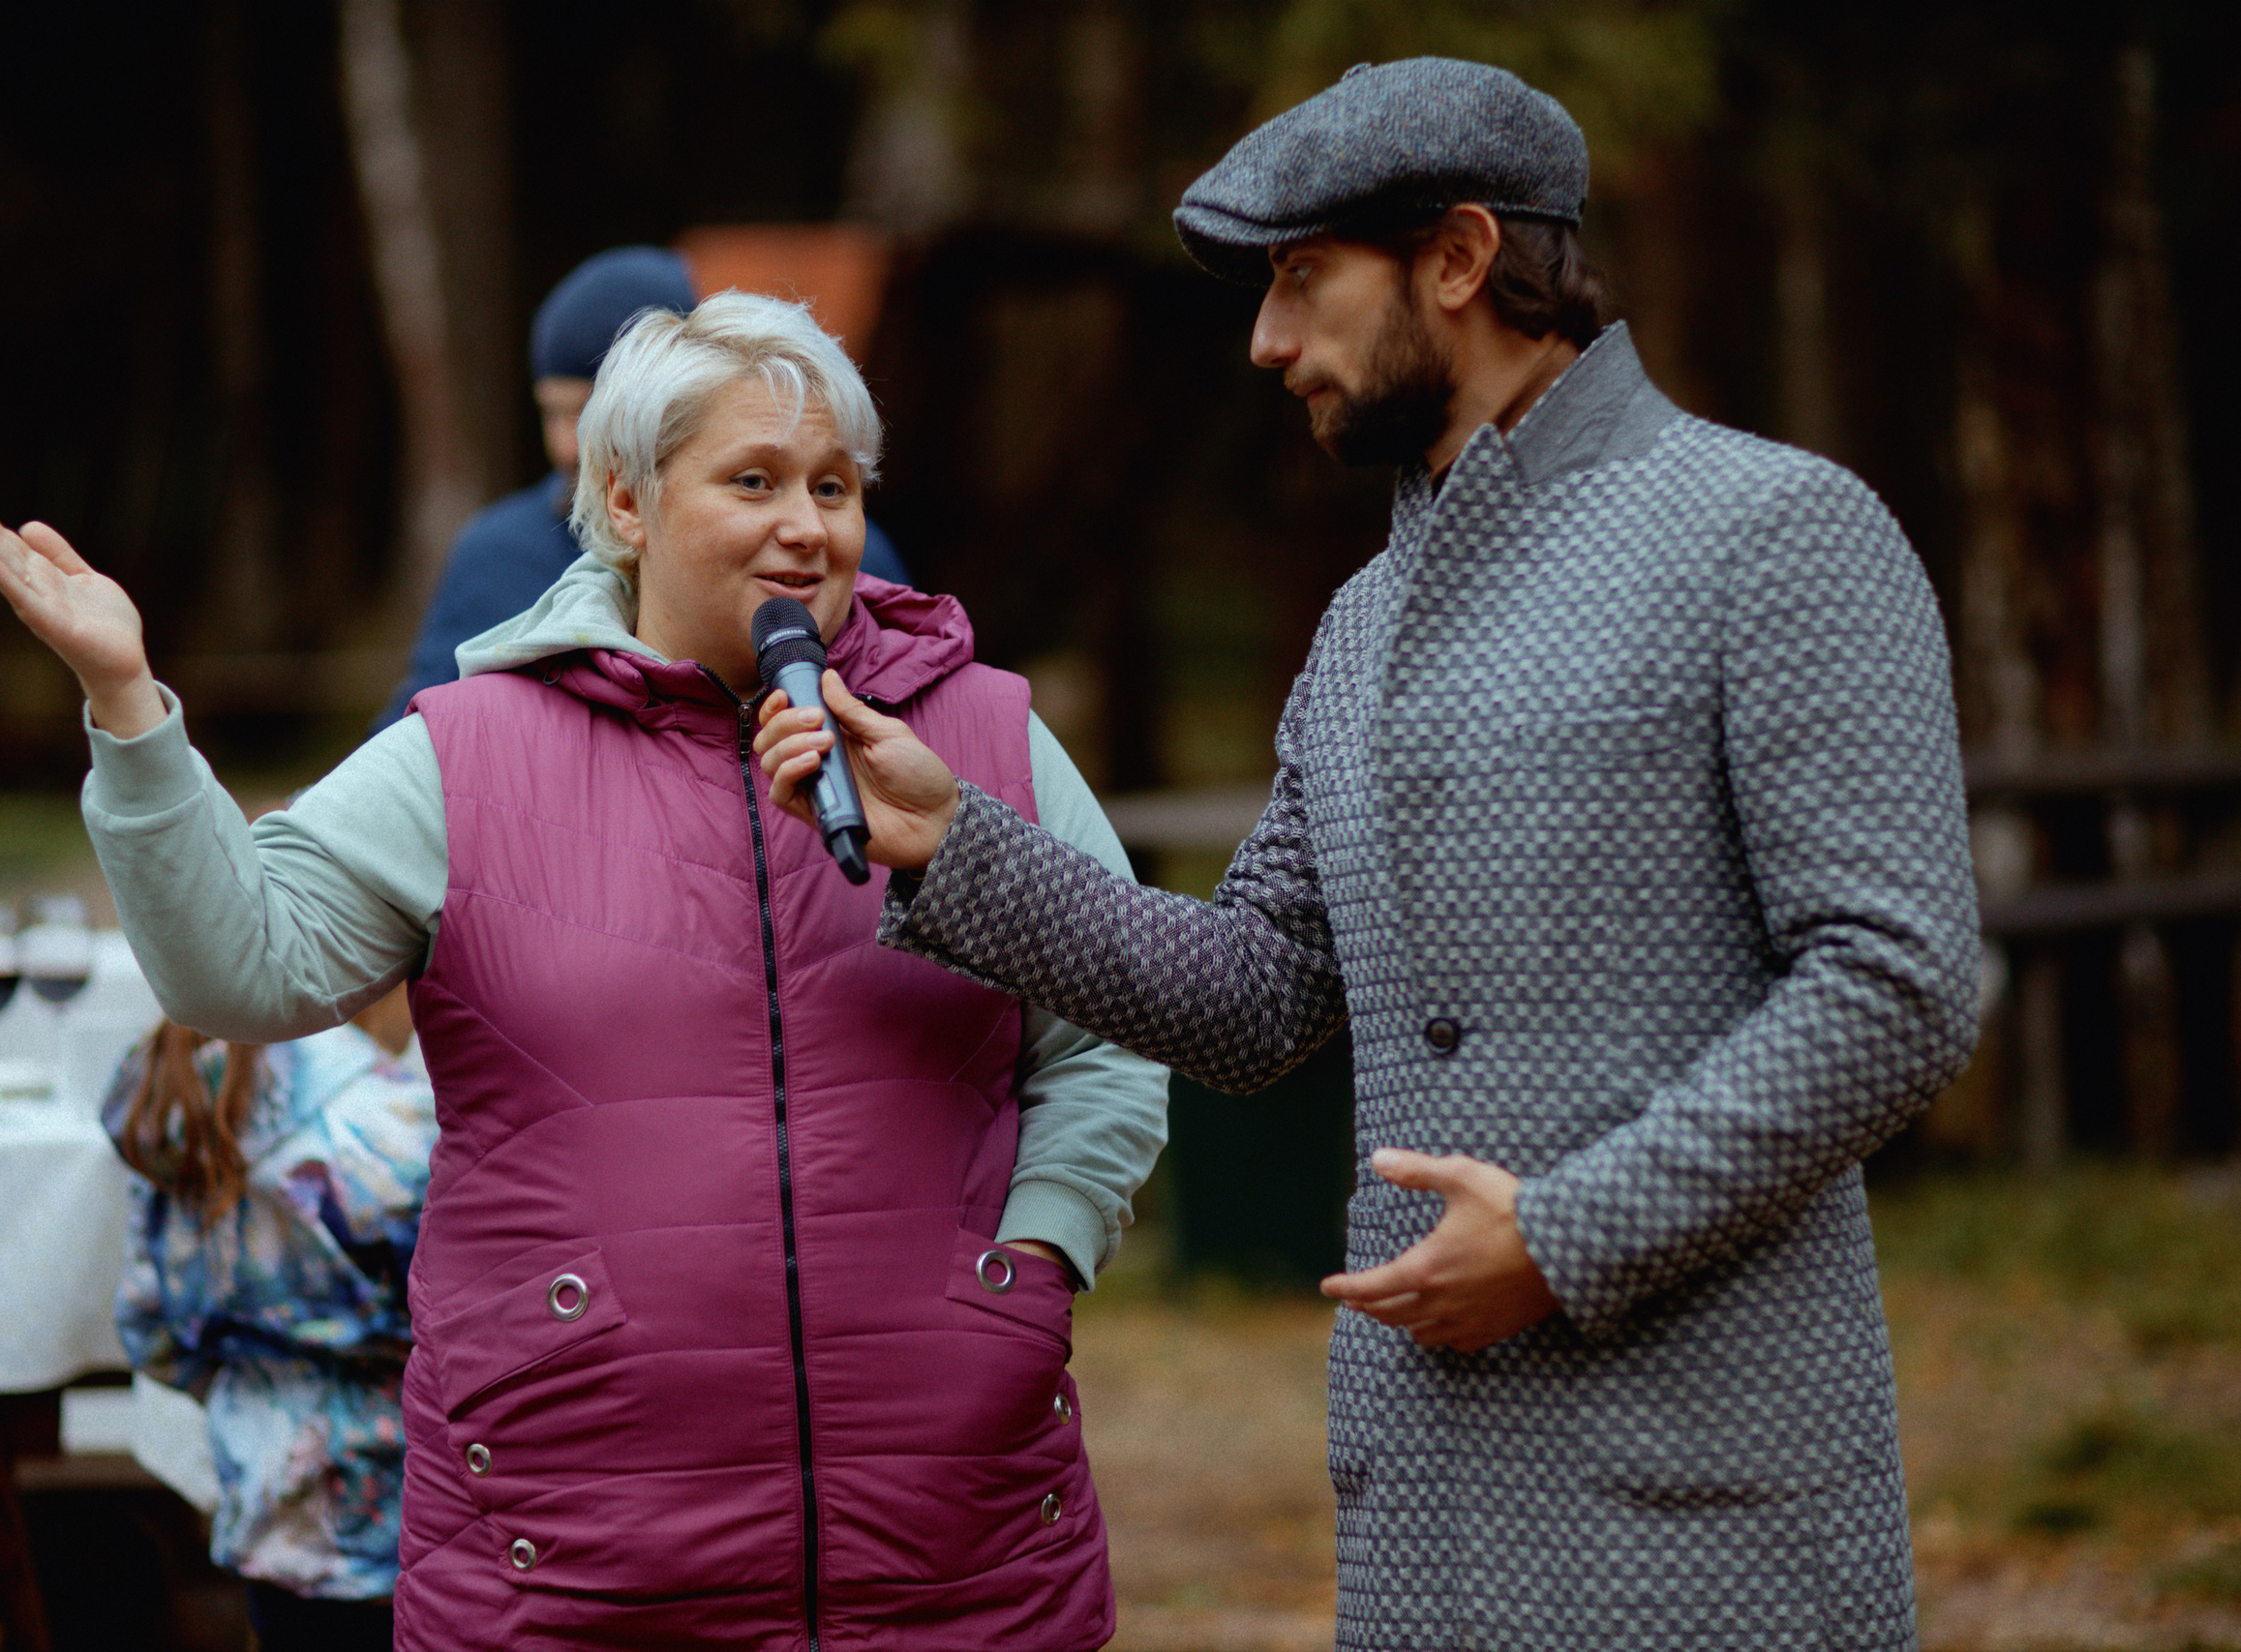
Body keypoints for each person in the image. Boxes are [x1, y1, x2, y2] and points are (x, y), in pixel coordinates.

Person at [756, 57, 1981, 1651]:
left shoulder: (1777, 531)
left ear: (1460, 258)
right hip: (1426, 1520)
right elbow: (1258, 992)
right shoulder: (1364, 621)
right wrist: (955, 843)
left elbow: (1899, 983)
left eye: (1303, 279)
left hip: (1706, 1512)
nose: (1267, 342)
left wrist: (1568, 1236)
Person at [0, 288, 1165, 1650]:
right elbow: (240, 971)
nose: (807, 524)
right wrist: (128, 706)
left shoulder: (981, 732)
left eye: (833, 485)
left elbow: (1116, 1023)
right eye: (753, 480)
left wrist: (1033, 1257)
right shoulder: (471, 749)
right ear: (627, 501)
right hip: (575, 1552)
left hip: (954, 1546)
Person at [375, 245, 909, 729]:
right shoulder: (497, 553)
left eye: (591, 415)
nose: (570, 446)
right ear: (624, 503)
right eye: (555, 412)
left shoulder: (841, 558)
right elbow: (421, 727)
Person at [102, 984, 433, 1651]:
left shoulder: (178, 1102)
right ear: (376, 970)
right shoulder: (399, 1125)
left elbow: (148, 1326)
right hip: (401, 1516)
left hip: (264, 1504)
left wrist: (258, 1393)